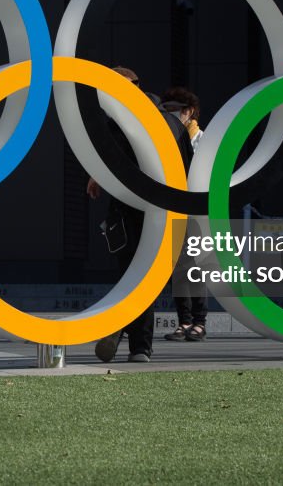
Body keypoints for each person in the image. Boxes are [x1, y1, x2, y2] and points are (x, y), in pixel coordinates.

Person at [89, 68, 193, 363]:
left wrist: (98, 176)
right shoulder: (173, 124)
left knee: (132, 275)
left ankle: (123, 328)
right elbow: (188, 168)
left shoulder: (122, 123)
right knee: (146, 278)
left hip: (131, 209)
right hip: (167, 210)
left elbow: (114, 161)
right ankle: (138, 344)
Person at [160, 87, 209, 342]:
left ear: (189, 112)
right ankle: (184, 321)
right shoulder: (165, 137)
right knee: (178, 268)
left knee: (196, 266)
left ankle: (199, 322)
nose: (169, 115)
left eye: (173, 110)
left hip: (197, 212)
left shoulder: (202, 138)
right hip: (175, 209)